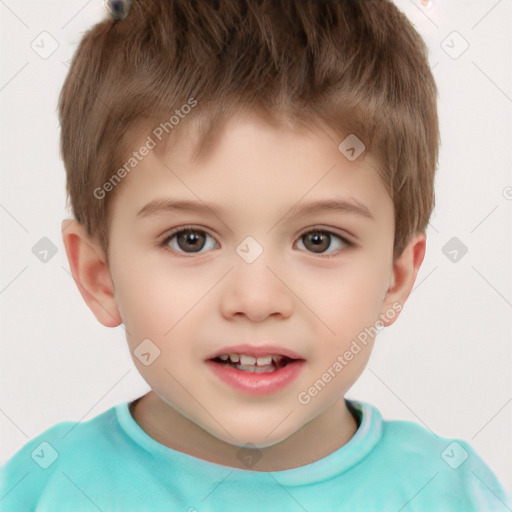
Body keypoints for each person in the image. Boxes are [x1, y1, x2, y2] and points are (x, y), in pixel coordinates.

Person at [1, 1, 507, 510]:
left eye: (319, 240)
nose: (257, 299)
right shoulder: (44, 487)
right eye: (190, 239)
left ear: (396, 278)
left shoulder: (450, 493)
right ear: (100, 275)